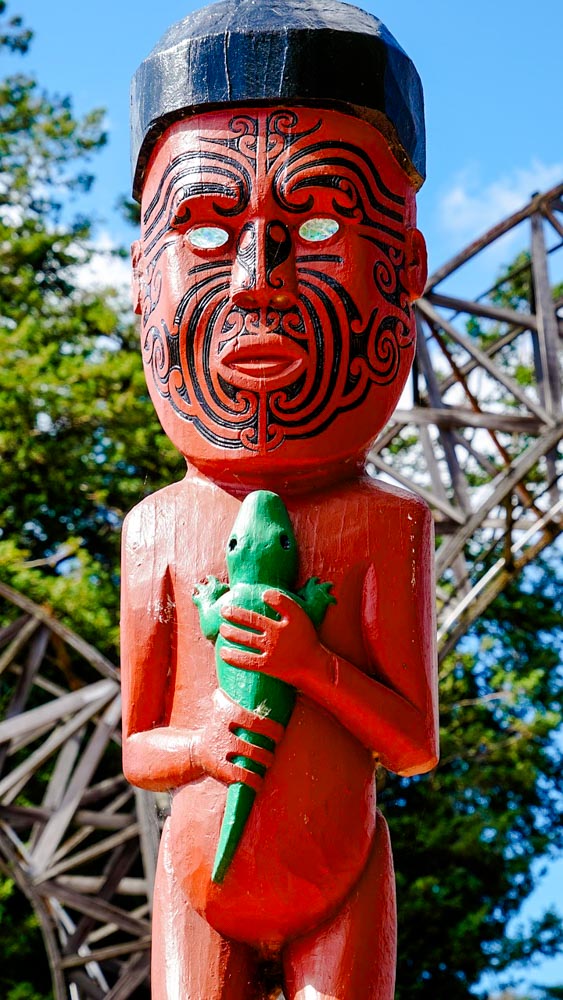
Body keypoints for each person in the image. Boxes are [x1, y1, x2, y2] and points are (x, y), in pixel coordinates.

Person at [121, 2, 439, 997]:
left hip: (342, 879)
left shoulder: (387, 522)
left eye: (312, 222)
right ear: (141, 280)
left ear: (408, 269)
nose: (258, 280)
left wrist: (311, 667)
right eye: (209, 233)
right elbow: (140, 745)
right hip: (194, 884)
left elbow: (412, 743)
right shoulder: (158, 528)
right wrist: (199, 741)